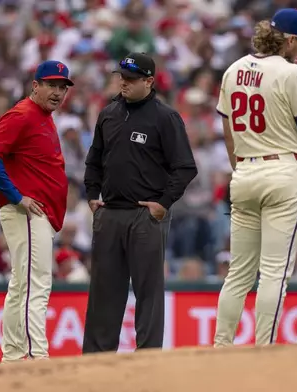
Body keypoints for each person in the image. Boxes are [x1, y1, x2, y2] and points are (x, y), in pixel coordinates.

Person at [213, 8, 297, 347]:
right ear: (289, 39)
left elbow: (228, 130)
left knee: (238, 274)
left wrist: (241, 167)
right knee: (275, 271)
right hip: (281, 170)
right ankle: (263, 349)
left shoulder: (233, 69)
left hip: (244, 170)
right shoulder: (290, 71)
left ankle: (220, 346)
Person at [82, 52, 197, 352]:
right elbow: (93, 160)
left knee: (149, 292)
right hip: (110, 213)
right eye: (122, 76)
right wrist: (93, 196)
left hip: (145, 215)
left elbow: (185, 167)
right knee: (104, 291)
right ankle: (95, 360)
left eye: (131, 79)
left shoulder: (165, 117)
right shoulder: (108, 113)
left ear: (149, 81)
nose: (124, 83)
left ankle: (147, 358)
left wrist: (162, 204)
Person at [0, 60, 73, 361]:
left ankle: (15, 356)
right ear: (36, 85)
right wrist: (17, 196)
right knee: (36, 284)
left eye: (62, 87)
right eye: (51, 85)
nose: (58, 92)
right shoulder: (22, 114)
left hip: (35, 214)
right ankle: (35, 357)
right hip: (28, 213)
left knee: (22, 285)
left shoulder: (42, 116)